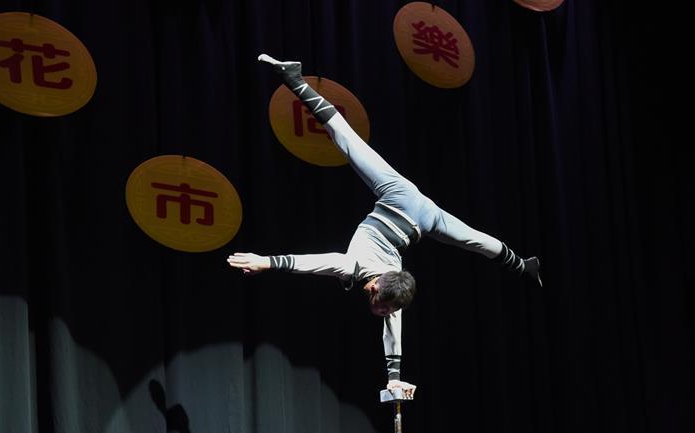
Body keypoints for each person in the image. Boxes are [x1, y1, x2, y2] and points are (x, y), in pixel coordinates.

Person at [228, 54, 541, 398]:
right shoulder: (354, 267)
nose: (384, 314)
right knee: (348, 141)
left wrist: (394, 377)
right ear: (376, 285)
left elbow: (393, 332)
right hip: (400, 199)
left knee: (474, 241)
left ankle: (523, 265)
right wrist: (266, 262)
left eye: (388, 310)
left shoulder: (394, 290)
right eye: (384, 308)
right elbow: (312, 262)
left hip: (421, 221)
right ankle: (293, 79)